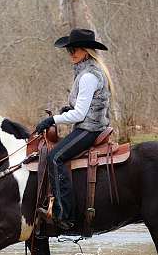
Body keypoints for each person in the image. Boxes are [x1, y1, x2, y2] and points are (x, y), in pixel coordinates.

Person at [35, 28, 114, 230]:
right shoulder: (89, 71)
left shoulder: (88, 76)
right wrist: (68, 109)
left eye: (75, 50)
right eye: (69, 50)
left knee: (55, 157)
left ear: (86, 51)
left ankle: (64, 214)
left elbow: (79, 115)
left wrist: (52, 119)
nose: (71, 54)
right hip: (91, 125)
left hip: (90, 129)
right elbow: (84, 107)